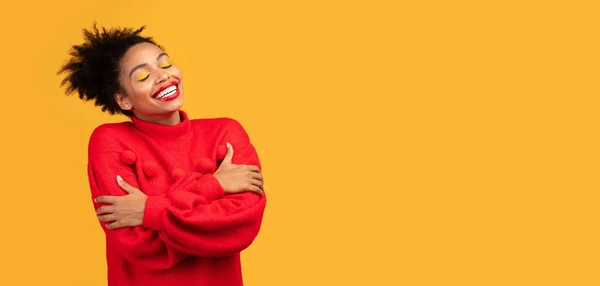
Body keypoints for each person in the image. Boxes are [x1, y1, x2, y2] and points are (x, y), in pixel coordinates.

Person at [57, 23, 267, 286]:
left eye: (165, 64)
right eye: (143, 76)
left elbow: (240, 227)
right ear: (123, 100)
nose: (163, 76)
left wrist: (149, 210)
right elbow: (137, 242)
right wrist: (214, 185)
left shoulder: (225, 132)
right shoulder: (109, 140)